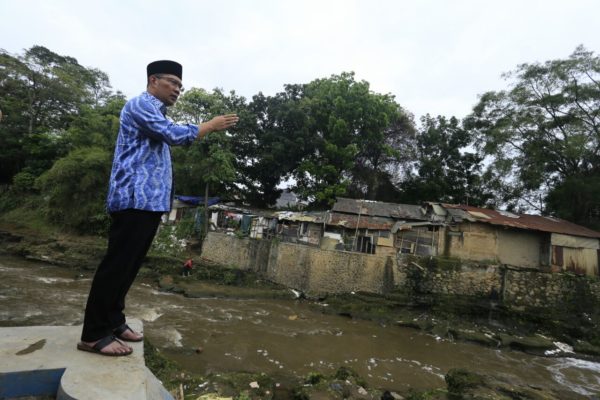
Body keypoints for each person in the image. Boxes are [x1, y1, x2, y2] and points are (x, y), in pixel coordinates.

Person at [77, 60, 238, 356]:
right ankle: (93, 333)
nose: (178, 89)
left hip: (149, 204)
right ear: (154, 80)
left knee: (130, 265)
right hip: (132, 199)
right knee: (116, 265)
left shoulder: (156, 111)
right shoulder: (140, 105)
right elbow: (174, 135)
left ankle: (114, 320)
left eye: (180, 85)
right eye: (173, 83)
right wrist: (210, 126)